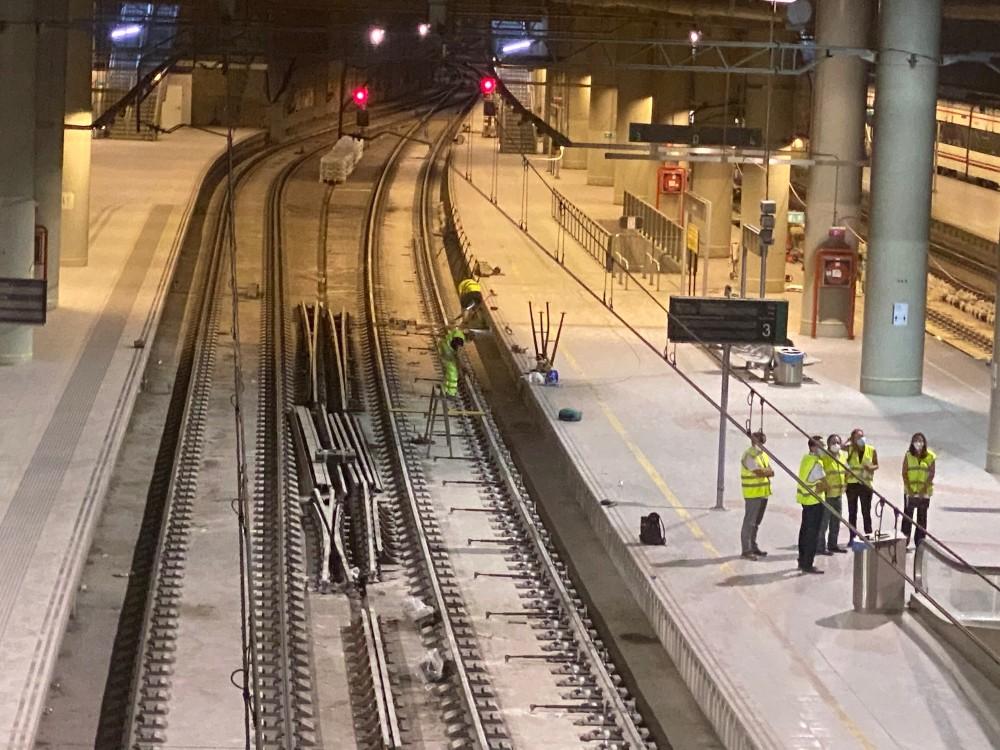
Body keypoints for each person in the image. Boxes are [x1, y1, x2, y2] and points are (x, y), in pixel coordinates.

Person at [740, 431, 774, 560]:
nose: (763, 444)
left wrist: (765, 472)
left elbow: (770, 471)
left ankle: (753, 545)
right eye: (761, 442)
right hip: (753, 493)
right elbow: (759, 472)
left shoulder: (763, 455)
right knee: (749, 521)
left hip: (763, 493)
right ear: (755, 441)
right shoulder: (750, 455)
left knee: (756, 522)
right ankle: (746, 550)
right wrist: (766, 472)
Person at [797, 436, 828, 574]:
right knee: (812, 534)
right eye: (821, 446)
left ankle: (801, 559)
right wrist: (825, 486)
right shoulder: (816, 463)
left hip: (806, 500)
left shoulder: (806, 459)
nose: (824, 449)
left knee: (804, 531)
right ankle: (807, 563)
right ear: (813, 447)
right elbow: (825, 484)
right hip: (815, 501)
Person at [901, 432, 936, 547]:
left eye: (921, 440)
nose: (918, 443)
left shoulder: (930, 456)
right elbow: (904, 472)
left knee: (922, 518)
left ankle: (920, 543)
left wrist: (923, 489)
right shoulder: (908, 455)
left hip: (924, 493)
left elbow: (931, 474)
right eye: (916, 440)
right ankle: (904, 542)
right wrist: (910, 488)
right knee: (907, 518)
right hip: (910, 492)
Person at [845, 427, 879, 541]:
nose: (861, 439)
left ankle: (868, 534)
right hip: (852, 484)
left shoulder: (871, 449)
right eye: (857, 437)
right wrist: (848, 440)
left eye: (862, 436)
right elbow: (839, 447)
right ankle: (852, 536)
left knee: (866, 511)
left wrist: (870, 467)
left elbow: (876, 465)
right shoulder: (850, 449)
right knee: (852, 512)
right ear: (853, 439)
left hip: (866, 484)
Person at [817, 434, 849, 555]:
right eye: (833, 442)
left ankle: (832, 544)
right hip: (827, 495)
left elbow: (847, 471)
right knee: (824, 522)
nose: (835, 445)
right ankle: (820, 546)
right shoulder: (825, 457)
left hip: (838, 494)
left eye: (837, 442)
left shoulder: (842, 456)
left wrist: (845, 484)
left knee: (836, 522)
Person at [438, 327, 466, 397]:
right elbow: (458, 355)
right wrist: (462, 366)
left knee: (448, 373)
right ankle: (451, 393)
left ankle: (445, 389)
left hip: (445, 349)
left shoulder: (458, 333)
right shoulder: (459, 340)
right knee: (453, 373)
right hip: (447, 354)